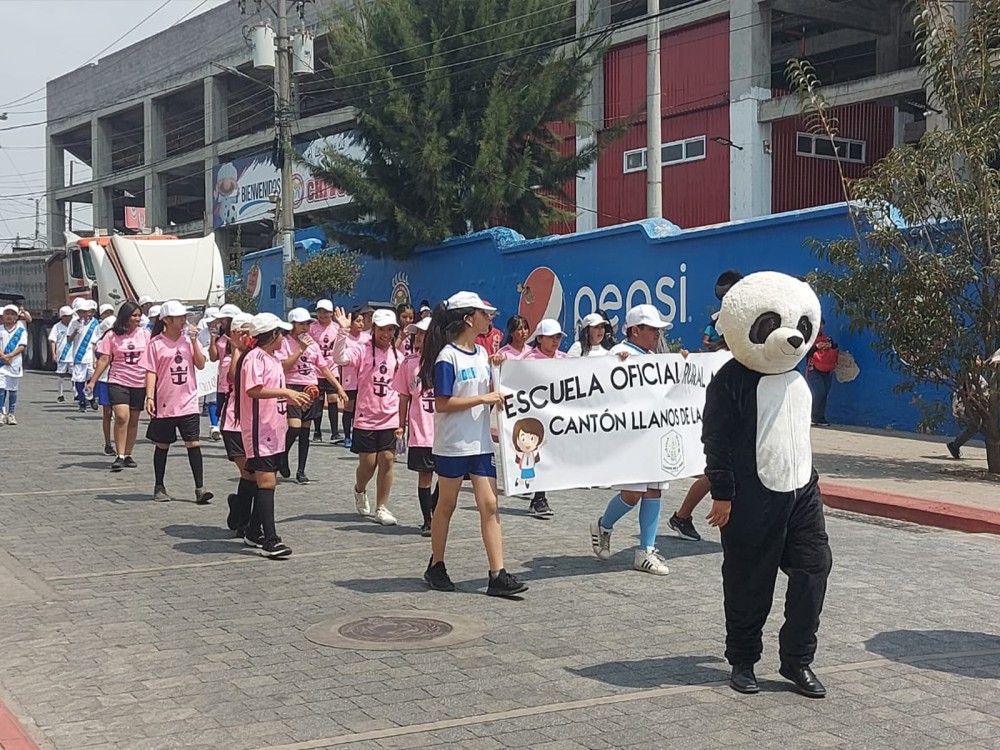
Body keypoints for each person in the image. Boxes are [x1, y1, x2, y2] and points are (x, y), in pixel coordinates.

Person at [419, 291, 527, 597]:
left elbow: (494, 390)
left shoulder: (482, 354)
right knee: (447, 505)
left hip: (480, 444)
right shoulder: (446, 357)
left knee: (490, 505)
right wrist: (484, 398)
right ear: (469, 319)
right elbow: (442, 403)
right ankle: (436, 564)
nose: (488, 318)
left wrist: (500, 369)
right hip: (453, 445)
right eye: (483, 314)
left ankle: (498, 573)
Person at [589, 304, 676, 576]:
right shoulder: (618, 354)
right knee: (633, 493)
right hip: (630, 437)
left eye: (658, 330)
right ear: (635, 330)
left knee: (654, 490)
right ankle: (604, 524)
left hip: (654, 433)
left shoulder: (656, 355)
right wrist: (616, 364)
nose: (657, 335)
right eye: (652, 330)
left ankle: (645, 551)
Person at [233, 313, 310, 558]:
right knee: (267, 482)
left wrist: (293, 397)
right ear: (272, 334)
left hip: (274, 427)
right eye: (281, 333)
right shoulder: (254, 358)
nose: (284, 338)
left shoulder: (273, 359)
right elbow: (254, 391)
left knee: (266, 481)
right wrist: (287, 392)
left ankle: (254, 530)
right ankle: (270, 538)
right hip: (259, 428)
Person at [332, 307, 402, 525]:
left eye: (391, 329)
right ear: (374, 329)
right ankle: (360, 489)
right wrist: (342, 332)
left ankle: (382, 507)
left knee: (388, 460)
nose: (386, 334)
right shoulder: (362, 349)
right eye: (382, 329)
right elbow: (340, 358)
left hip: (390, 416)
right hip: (366, 416)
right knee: (368, 463)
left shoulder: (398, 356)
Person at [140, 300, 213, 504]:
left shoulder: (188, 340)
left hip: (188, 400)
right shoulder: (156, 344)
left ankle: (200, 487)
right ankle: (159, 485)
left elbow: (200, 363)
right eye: (180, 317)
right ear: (167, 320)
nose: (184, 321)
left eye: (184, 317)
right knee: (163, 444)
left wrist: (193, 342)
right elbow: (151, 371)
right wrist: (150, 397)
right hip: (165, 402)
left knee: (193, 443)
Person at [280, 307, 348, 483]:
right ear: (292, 325)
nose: (305, 327)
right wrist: (300, 349)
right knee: (293, 427)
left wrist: (338, 387)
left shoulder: (313, 344)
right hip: (293, 386)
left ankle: (301, 469)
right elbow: (284, 366)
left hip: (310, 387)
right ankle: (282, 455)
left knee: (305, 430)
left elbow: (324, 367)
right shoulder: (285, 342)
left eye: (307, 324)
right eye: (301, 324)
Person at [89, 301, 151, 471]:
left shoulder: (145, 334)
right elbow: (104, 359)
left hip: (139, 382)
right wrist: (93, 381)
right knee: (122, 416)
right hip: (118, 380)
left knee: (133, 419)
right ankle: (119, 454)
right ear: (125, 316)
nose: (137, 319)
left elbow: (153, 358)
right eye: (134, 315)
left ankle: (129, 453)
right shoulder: (112, 335)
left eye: (139, 315)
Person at [392, 317, 437, 536]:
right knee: (425, 476)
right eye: (416, 333)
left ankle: (436, 511)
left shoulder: (445, 361)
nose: (418, 337)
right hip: (420, 431)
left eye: (422, 333)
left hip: (444, 433)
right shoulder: (410, 363)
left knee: (448, 477)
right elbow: (403, 397)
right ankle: (428, 520)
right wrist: (401, 425)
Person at [519, 318, 567, 518]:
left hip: (557, 416)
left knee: (550, 456)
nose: (555, 341)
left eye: (558, 337)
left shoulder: (564, 359)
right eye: (551, 337)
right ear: (539, 338)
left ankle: (538, 496)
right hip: (536, 416)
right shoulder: (528, 360)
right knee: (538, 455)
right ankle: (539, 498)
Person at [220, 314, 256, 536]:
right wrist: (236, 351)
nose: (245, 336)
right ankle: (242, 518)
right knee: (249, 474)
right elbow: (234, 378)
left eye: (248, 332)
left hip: (252, 423)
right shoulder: (229, 358)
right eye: (240, 332)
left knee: (251, 475)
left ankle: (240, 514)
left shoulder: (257, 355)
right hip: (233, 423)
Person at [207, 303, 241, 442]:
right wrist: (213, 339)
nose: (221, 322)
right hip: (222, 381)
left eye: (224, 319)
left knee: (233, 414)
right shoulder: (221, 337)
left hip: (234, 381)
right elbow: (214, 357)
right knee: (222, 413)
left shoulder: (238, 336)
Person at [310, 299, 343, 444]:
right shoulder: (312, 327)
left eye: (325, 312)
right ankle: (317, 431)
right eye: (320, 312)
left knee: (333, 399)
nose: (322, 315)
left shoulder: (336, 328)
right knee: (318, 399)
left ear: (331, 313)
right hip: (316, 369)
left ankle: (335, 432)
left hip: (332, 367)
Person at [335, 308, 367, 449]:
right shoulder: (345, 338)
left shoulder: (367, 338)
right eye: (358, 321)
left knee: (359, 409)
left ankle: (357, 434)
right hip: (349, 379)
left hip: (363, 379)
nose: (361, 324)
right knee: (349, 407)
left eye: (362, 321)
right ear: (351, 322)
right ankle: (347, 436)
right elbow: (338, 357)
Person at [64, 299, 100, 413]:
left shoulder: (95, 323)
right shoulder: (74, 323)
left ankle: (91, 396)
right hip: (79, 356)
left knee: (93, 378)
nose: (83, 314)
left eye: (85, 312)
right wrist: (75, 332)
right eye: (80, 312)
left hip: (91, 355)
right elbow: (68, 340)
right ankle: (82, 401)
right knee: (79, 380)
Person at [806, 320, 838, 426]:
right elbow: (805, 352)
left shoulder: (827, 338)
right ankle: (812, 417)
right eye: (818, 325)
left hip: (827, 369)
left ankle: (820, 417)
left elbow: (835, 348)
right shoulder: (809, 339)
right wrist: (816, 347)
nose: (820, 327)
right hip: (813, 369)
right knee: (819, 392)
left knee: (824, 394)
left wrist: (830, 345)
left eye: (822, 325)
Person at [0, 304, 28, 425]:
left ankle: (11, 413)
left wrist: (10, 355)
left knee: (12, 389)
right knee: (1, 387)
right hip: (1, 363)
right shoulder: (0, 329)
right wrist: (3, 356)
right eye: (7, 314)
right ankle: (1, 412)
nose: (9, 316)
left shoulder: (21, 330)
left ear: (16, 317)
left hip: (15, 363)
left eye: (12, 314)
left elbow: (22, 346)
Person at [48, 306, 74, 403]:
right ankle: (60, 394)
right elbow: (53, 341)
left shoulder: (74, 325)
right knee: (61, 375)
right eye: (68, 316)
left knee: (74, 374)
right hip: (62, 354)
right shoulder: (57, 327)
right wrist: (53, 353)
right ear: (63, 317)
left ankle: (76, 393)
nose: (70, 318)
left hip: (72, 354)